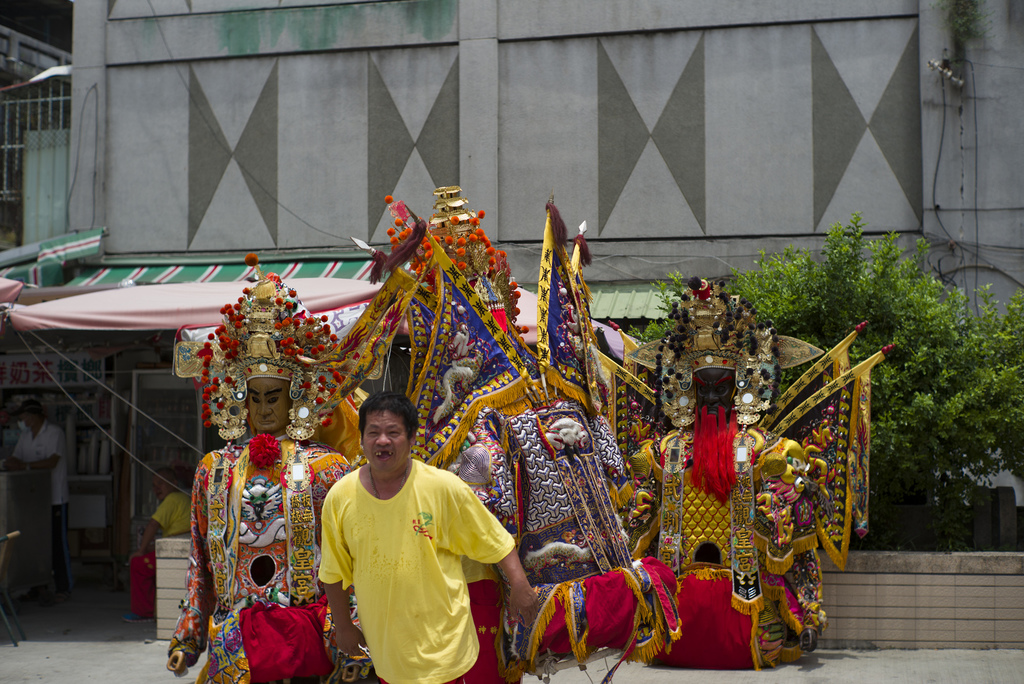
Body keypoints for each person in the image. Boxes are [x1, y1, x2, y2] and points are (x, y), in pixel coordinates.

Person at [621, 277, 886, 669]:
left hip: (746, 602)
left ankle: (808, 613)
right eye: (703, 390)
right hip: (675, 610)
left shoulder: (766, 450)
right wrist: (632, 502)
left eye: (722, 389)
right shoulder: (663, 451)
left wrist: (782, 504)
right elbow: (636, 525)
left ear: (741, 388)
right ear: (688, 391)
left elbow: (794, 538)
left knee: (796, 521)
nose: (711, 399)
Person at [166, 256, 358, 684]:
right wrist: (188, 635)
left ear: (296, 397)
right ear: (242, 400)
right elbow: (200, 559)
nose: (266, 408)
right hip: (236, 633)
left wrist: (354, 634)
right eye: (256, 397)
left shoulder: (328, 467)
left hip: (310, 630)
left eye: (275, 396)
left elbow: (352, 555)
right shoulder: (214, 470)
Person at [319, 391, 540, 684]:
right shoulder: (340, 498)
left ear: (411, 439)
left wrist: (521, 587)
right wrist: (344, 626)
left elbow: (494, 540)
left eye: (393, 432)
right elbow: (333, 572)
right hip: (390, 656)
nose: (382, 441)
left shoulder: (442, 488)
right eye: (373, 432)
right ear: (361, 439)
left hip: (446, 651)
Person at [6, 398, 72, 604]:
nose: (23, 420)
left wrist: (25, 466)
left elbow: (52, 461)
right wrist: (13, 463)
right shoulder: (25, 436)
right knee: (34, 544)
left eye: (25, 416)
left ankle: (64, 587)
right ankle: (37, 586)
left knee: (58, 544)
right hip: (32, 500)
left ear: (34, 415)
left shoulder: (54, 433)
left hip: (55, 498)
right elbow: (15, 457)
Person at [123, 467, 190, 622]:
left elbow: (153, 525)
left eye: (161, 483)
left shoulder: (173, 498)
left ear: (173, 483)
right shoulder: (182, 498)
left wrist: (140, 550)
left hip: (178, 552)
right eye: (154, 485)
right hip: (182, 549)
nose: (157, 488)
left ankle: (144, 612)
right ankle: (153, 609)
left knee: (138, 563)